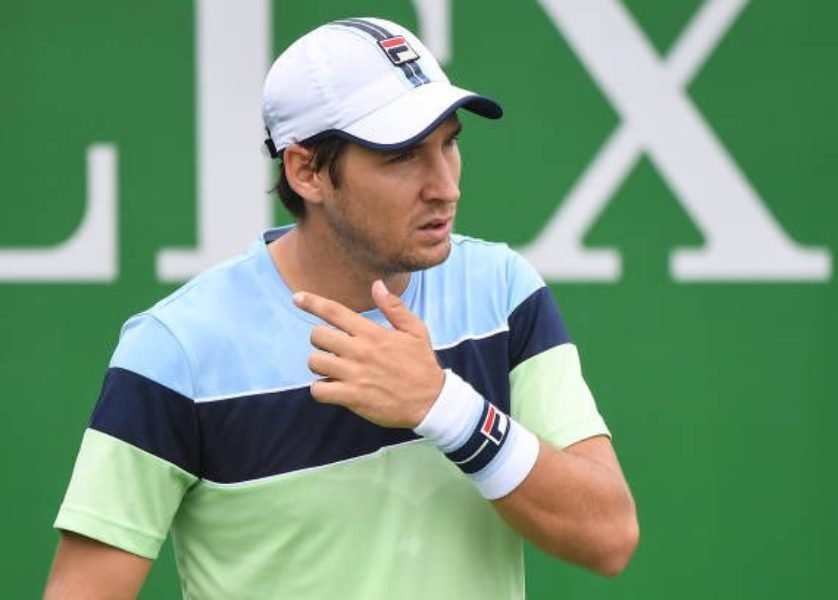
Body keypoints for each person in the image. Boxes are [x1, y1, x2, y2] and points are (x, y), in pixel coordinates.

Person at [44, 16, 638, 600]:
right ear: (306, 171)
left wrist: (445, 408)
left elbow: (609, 537)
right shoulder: (175, 351)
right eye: (402, 156)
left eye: (449, 144)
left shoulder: (503, 292)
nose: (445, 186)